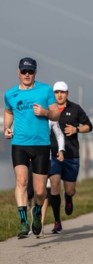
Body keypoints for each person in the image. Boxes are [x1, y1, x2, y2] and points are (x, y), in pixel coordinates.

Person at [3, 57, 60, 239]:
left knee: (40, 191)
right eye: (24, 71)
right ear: (18, 72)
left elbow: (56, 114)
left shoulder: (45, 90)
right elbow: (8, 111)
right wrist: (7, 127)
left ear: (35, 72)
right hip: (19, 144)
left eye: (31, 71)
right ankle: (22, 222)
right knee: (21, 181)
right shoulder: (10, 94)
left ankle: (36, 213)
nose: (27, 75)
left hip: (41, 145)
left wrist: (45, 113)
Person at [49, 81, 93, 234]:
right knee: (54, 184)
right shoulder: (48, 109)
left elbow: (89, 126)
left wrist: (77, 129)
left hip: (71, 154)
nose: (59, 95)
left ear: (67, 93)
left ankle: (68, 198)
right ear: (53, 94)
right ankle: (57, 221)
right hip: (53, 153)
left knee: (70, 190)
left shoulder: (75, 109)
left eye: (62, 92)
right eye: (56, 92)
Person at [27, 120, 65, 237]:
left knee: (42, 191)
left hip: (44, 157)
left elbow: (59, 135)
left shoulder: (50, 117)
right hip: (27, 158)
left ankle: (40, 224)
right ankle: (32, 221)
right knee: (29, 194)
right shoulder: (27, 113)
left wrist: (61, 150)